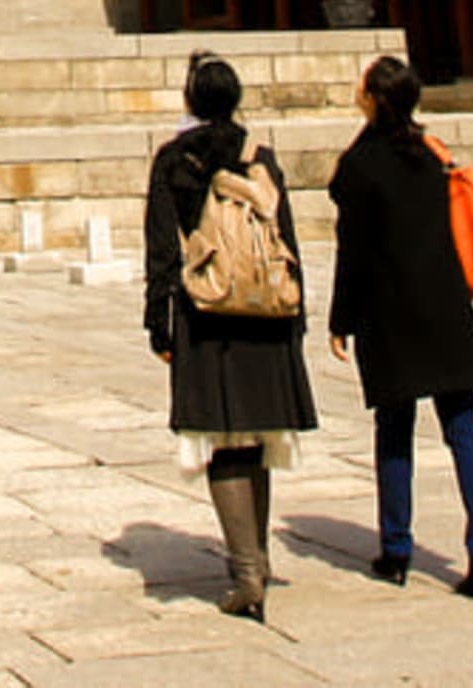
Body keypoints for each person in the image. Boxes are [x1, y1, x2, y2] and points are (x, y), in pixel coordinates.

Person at [141, 51, 318, 619]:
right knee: (259, 436)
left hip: (207, 308)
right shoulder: (259, 157)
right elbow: (284, 236)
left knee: (221, 435)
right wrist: (299, 310)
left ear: (191, 101)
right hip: (266, 310)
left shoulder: (175, 159)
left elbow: (163, 250)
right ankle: (257, 558)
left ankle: (245, 574)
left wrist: (158, 318)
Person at [326, 55, 473, 601]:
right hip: (444, 305)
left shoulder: (359, 166)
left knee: (395, 429)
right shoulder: (432, 155)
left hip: (389, 310)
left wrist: (340, 319)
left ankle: (397, 548)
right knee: (464, 428)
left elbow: (351, 252)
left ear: (373, 99)